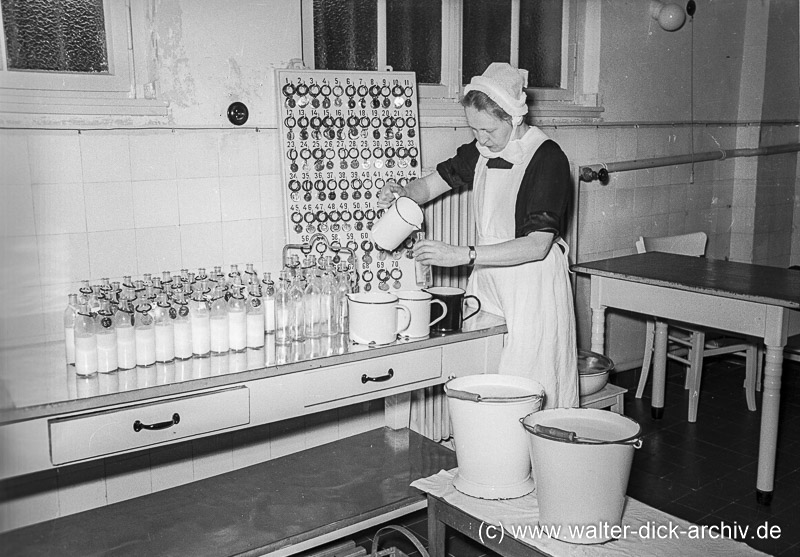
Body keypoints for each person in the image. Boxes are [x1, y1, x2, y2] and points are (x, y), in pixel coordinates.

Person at [378, 62, 578, 409]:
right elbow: (430, 184)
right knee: (478, 382)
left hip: (532, 287)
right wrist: (402, 194)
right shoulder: (481, 150)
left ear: (514, 118)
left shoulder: (548, 158)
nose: (481, 139)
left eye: (488, 130)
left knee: (527, 389)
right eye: (475, 130)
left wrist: (462, 255)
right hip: (489, 279)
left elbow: (537, 245)